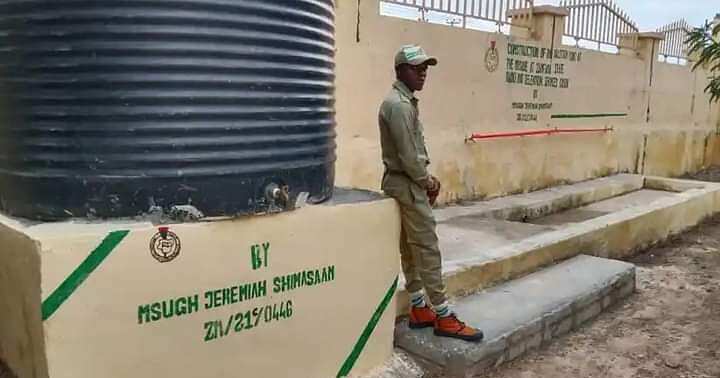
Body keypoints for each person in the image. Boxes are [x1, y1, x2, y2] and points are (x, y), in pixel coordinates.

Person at [378, 45, 484, 342]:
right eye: (416, 68)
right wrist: (428, 182)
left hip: (400, 182)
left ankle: (418, 307)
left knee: (410, 248)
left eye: (425, 67)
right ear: (400, 70)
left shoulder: (403, 102)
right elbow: (410, 157)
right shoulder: (398, 106)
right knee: (426, 247)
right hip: (409, 183)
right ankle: (443, 315)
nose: (423, 73)